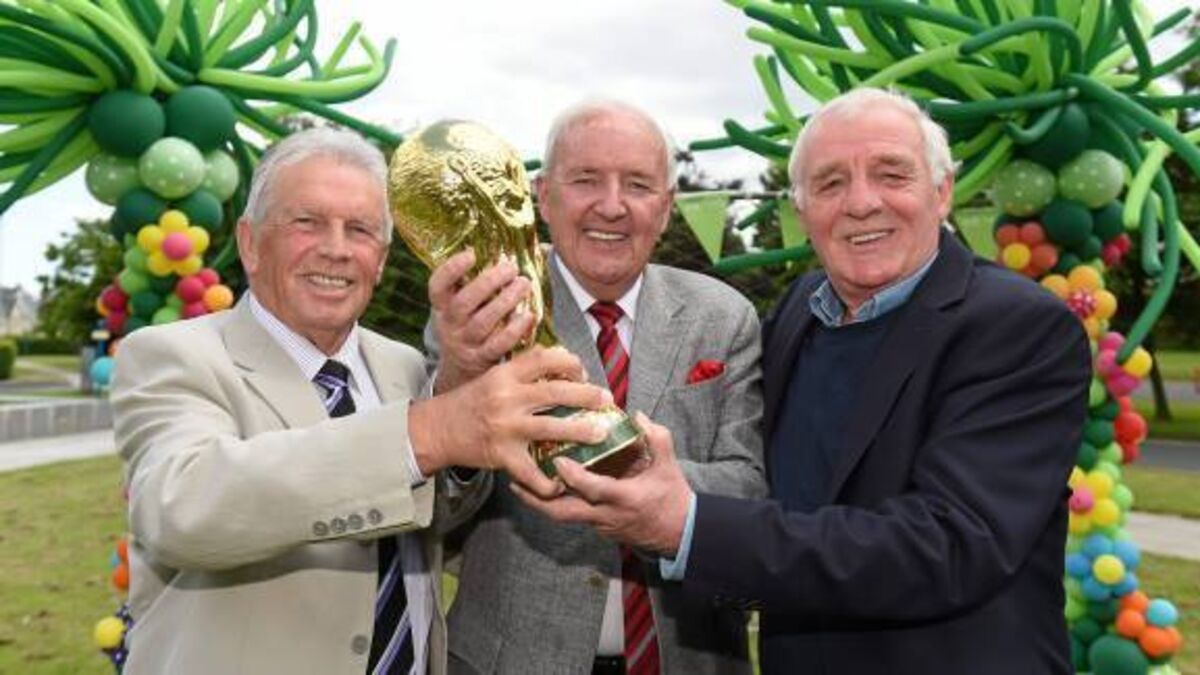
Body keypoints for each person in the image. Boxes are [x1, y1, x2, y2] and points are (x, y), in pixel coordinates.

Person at [518, 88, 1092, 674]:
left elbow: (948, 546)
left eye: (891, 174)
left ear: (942, 191)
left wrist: (687, 526)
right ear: (801, 208)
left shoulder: (1018, 327)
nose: (861, 202)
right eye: (830, 183)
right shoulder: (802, 311)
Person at [111, 127, 611, 675]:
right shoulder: (170, 354)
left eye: (361, 229)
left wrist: (459, 395)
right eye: (307, 222)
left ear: (382, 258)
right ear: (250, 243)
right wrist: (432, 430)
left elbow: (433, 519)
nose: (336, 248)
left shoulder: (402, 364)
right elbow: (181, 511)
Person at [429, 100, 766, 674]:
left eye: (637, 184)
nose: (611, 205)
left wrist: (636, 474)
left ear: (666, 207)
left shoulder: (724, 316)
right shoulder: (483, 308)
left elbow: (750, 486)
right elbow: (436, 507)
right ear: (542, 197)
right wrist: (458, 402)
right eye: (586, 179)